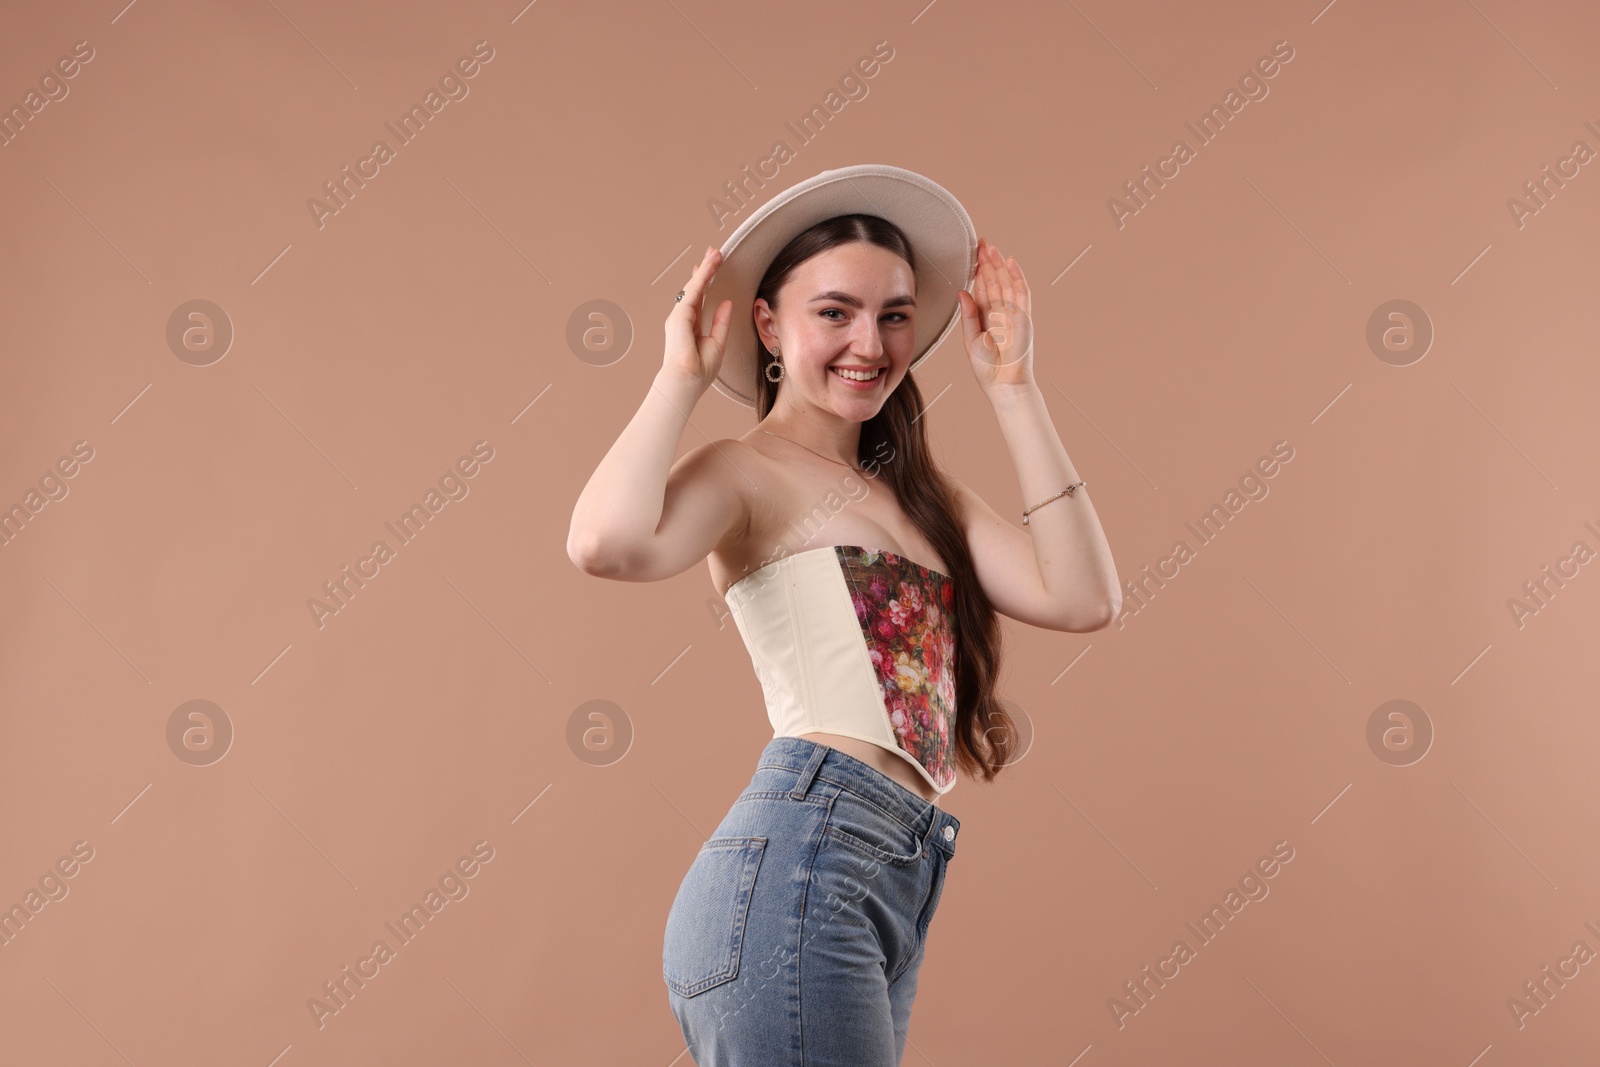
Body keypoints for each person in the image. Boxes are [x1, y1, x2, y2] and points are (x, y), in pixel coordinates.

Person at [567, 165, 1120, 1064]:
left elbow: (1084, 596)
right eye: (835, 311)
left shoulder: (921, 493)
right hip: (802, 862)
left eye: (894, 314)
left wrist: (1015, 388)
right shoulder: (744, 473)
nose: (871, 341)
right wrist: (679, 378)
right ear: (767, 324)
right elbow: (603, 542)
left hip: (887, 876)